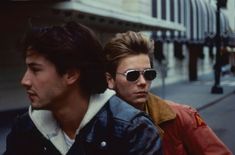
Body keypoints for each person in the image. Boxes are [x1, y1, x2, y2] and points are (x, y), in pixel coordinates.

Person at [4, 22, 162, 155]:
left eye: (36, 69)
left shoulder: (133, 131)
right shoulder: (26, 127)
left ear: (71, 74)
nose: (25, 81)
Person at [104, 31, 232, 155]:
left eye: (149, 74)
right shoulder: (95, 126)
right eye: (132, 75)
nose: (143, 82)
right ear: (110, 80)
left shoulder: (181, 117)